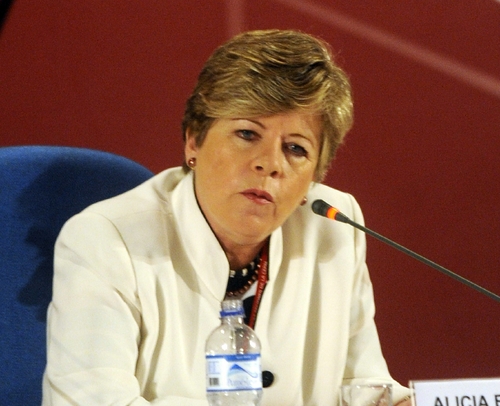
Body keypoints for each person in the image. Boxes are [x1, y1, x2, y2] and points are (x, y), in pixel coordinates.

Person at [42, 29, 411, 406]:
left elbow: (364, 385)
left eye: (295, 148)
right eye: (247, 134)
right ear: (194, 141)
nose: (270, 163)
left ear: (315, 175)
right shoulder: (105, 241)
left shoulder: (333, 227)